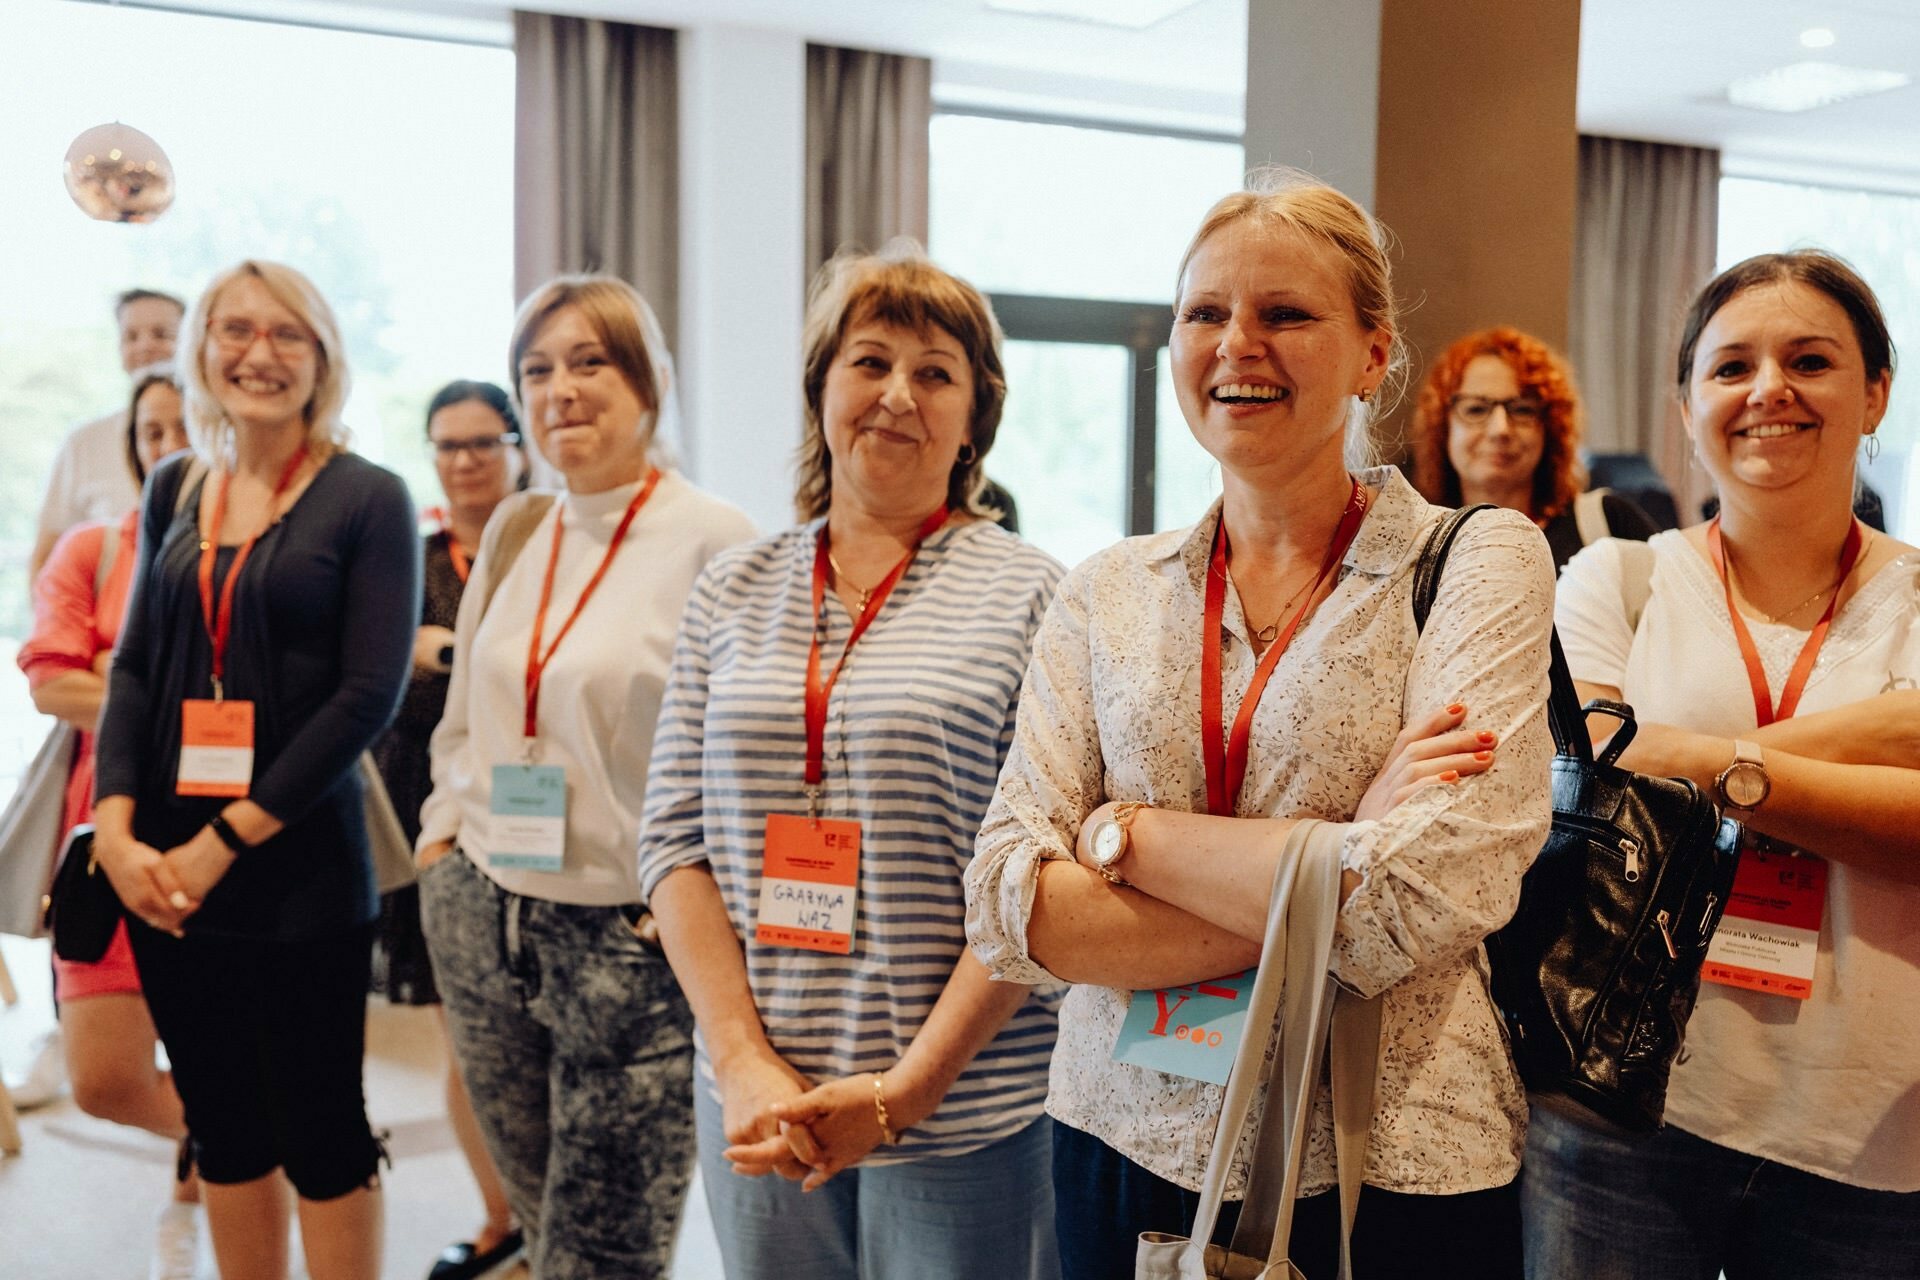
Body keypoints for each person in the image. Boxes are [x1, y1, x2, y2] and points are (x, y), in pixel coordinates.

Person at [965, 172, 1556, 1280]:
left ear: (1374, 354)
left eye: (1285, 313)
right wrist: (1338, 849)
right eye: (1206, 314)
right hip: (1121, 1132)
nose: (1239, 342)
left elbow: (1433, 892)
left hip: (1394, 1155)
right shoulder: (1108, 588)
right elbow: (1008, 903)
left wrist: (1125, 836)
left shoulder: (1478, 558)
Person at [640, 246, 1065, 1280]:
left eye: (935, 373)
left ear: (976, 419)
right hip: (758, 1099)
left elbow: (1041, 876)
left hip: (966, 1103)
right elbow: (672, 840)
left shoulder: (1037, 595)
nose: (896, 395)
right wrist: (742, 1061)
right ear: (822, 387)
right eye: (869, 361)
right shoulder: (732, 587)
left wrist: (904, 1091)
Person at [1525, 250, 1920, 1279]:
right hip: (1622, 1101)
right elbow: (1587, 778)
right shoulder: (1617, 579)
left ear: (1876, 391)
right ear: (1687, 402)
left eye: (1811, 360)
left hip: (1871, 1135)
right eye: (1732, 365)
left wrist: (1686, 765)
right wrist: (1876, 740)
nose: (1769, 390)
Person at [416, 275, 755, 1280]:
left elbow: (742, 761)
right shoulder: (520, 524)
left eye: (588, 361)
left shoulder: (717, 540)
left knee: (605, 1255)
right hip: (485, 908)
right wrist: (444, 845)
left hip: (627, 937)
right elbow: (466, 717)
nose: (560, 388)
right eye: (538, 368)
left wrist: (683, 907)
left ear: (646, 380)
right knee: (536, 1215)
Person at [92, 259, 420, 1280]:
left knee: (322, 1128)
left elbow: (366, 695)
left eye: (287, 334)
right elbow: (138, 664)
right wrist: (114, 830)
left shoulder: (370, 497)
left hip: (300, 868)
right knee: (223, 1120)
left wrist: (219, 838)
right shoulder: (176, 486)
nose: (259, 353)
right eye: (236, 330)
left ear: (322, 359)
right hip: (166, 875)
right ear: (202, 350)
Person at [17, 366, 199, 1277]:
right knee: (103, 1078)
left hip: (242, 843)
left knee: (237, 1039)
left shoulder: (276, 558)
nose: (170, 447)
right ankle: (221, 1129)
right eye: (153, 432)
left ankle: (221, 1166)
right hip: (106, 839)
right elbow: (51, 679)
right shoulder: (94, 550)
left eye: (186, 426)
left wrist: (123, 695)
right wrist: (173, 709)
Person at [367, 380, 527, 1280]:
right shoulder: (409, 557)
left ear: (515, 446)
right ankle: (501, 1219)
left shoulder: (549, 545)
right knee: (465, 1038)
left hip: (547, 818)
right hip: (429, 819)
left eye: (481, 442)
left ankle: (545, 1216)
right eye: (446, 445)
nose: (465, 461)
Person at [1409, 325, 1658, 572]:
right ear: (1442, 426)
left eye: (1522, 409)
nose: (1500, 429)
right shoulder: (1417, 548)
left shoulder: (1609, 523)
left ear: (1550, 427)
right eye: (1476, 409)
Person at [33, 288, 185, 581]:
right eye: (131, 336)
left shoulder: (221, 438)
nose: (146, 346)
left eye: (161, 334)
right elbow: (46, 563)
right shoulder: (83, 443)